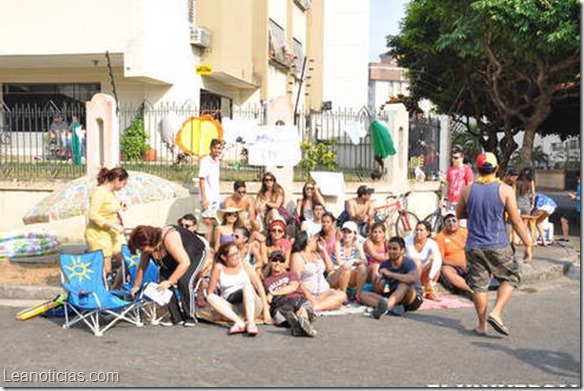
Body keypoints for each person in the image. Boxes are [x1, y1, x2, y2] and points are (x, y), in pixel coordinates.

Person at [457, 152, 532, 336]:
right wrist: (528, 244)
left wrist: (476, 212)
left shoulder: (468, 189)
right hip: (498, 244)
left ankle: (482, 325)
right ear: (497, 168)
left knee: (479, 285)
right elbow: (515, 220)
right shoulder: (505, 190)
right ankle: (496, 312)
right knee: (512, 277)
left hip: (474, 245)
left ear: (478, 169)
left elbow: (460, 215)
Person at [128, 224, 208, 327]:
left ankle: (190, 316)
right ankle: (177, 317)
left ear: (152, 242)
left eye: (143, 249)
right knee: (162, 281)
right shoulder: (146, 248)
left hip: (194, 254)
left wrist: (170, 281)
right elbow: (142, 266)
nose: (142, 251)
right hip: (174, 260)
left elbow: (185, 263)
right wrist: (136, 285)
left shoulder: (169, 238)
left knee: (184, 281)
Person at [206, 242, 270, 335]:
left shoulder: (244, 264)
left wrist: (266, 309)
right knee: (210, 297)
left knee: (247, 286)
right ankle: (239, 322)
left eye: (237, 253)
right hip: (233, 307)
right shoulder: (218, 267)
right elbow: (210, 291)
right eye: (233, 255)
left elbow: (258, 285)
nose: (237, 257)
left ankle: (251, 323)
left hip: (251, 303)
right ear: (224, 257)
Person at [361, 236, 424, 319]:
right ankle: (389, 307)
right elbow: (381, 290)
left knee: (404, 285)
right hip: (393, 296)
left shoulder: (408, 262)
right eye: (389, 249)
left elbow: (413, 279)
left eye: (394, 249)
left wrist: (390, 274)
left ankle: (386, 307)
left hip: (410, 298)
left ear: (402, 251)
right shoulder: (384, 264)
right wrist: (380, 283)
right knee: (363, 295)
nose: (391, 251)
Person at [84, 167, 129, 279]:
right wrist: (114, 225)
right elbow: (93, 215)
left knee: (126, 259)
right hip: (98, 234)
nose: (124, 186)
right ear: (117, 180)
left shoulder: (111, 192)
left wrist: (120, 204)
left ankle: (117, 286)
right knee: (106, 269)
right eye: (124, 183)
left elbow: (107, 207)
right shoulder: (99, 193)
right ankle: (102, 289)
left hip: (112, 233)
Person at [264, 250, 317, 337]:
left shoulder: (291, 274)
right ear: (270, 262)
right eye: (274, 260)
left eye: (281, 261)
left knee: (303, 309)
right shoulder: (266, 281)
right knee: (281, 315)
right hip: (281, 303)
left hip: (297, 298)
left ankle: (302, 322)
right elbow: (266, 299)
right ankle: (297, 324)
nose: (278, 263)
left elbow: (293, 287)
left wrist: (273, 293)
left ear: (284, 263)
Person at [289, 231, 346, 312]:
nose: (317, 240)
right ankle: (322, 305)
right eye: (314, 238)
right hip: (309, 293)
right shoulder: (297, 256)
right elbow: (297, 280)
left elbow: (330, 268)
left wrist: (324, 251)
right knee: (337, 305)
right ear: (308, 242)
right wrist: (311, 298)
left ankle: (314, 307)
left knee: (342, 295)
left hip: (323, 292)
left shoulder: (317, 253)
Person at [434, 212, 472, 294]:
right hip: (453, 266)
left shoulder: (465, 232)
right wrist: (460, 264)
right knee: (445, 269)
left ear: (458, 222)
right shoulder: (440, 237)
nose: (452, 223)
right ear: (444, 224)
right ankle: (471, 290)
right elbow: (440, 259)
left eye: (454, 220)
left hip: (468, 262)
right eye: (448, 221)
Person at [330, 221, 368, 302]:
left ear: (354, 234)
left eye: (349, 232)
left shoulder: (356, 244)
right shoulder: (337, 244)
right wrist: (353, 262)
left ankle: (358, 295)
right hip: (335, 275)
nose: (346, 235)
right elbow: (340, 263)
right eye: (344, 232)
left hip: (348, 273)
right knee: (346, 269)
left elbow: (364, 261)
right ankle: (343, 296)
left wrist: (353, 261)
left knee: (362, 268)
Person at [404, 221, 443, 301]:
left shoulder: (432, 243)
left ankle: (429, 291)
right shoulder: (407, 241)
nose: (418, 232)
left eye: (421, 230)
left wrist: (430, 277)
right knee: (416, 263)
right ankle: (415, 291)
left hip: (423, 273)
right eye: (417, 230)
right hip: (408, 272)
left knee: (435, 264)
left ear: (428, 232)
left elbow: (438, 259)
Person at [198, 138, 223, 234]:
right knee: (206, 221)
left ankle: (207, 244)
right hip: (207, 197)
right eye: (215, 148)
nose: (217, 150)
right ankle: (206, 245)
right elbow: (202, 179)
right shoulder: (205, 161)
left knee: (212, 221)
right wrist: (204, 198)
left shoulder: (217, 161)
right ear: (211, 148)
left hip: (215, 196)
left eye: (219, 148)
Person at [442, 147, 474, 212]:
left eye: (456, 158)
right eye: (452, 157)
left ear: (462, 158)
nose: (453, 160)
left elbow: (470, 186)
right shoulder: (450, 170)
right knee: (450, 219)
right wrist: (442, 198)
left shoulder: (467, 170)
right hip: (451, 200)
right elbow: (447, 185)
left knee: (461, 220)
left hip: (462, 200)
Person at [560, 170, 580, 242]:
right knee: (564, 219)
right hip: (578, 209)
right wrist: (574, 195)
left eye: (578, 178)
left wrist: (574, 197)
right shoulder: (579, 185)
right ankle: (565, 238)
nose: (577, 180)